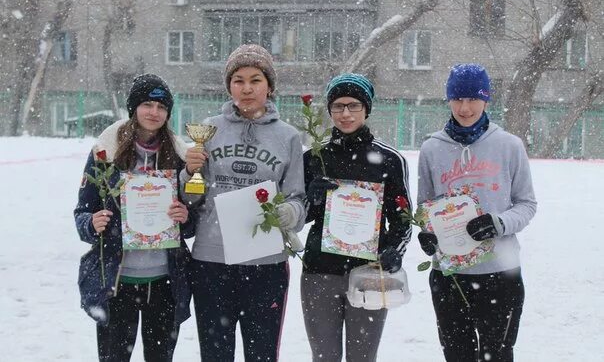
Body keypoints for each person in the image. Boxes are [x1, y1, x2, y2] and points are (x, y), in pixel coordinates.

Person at [182, 44, 306, 361]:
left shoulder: (288, 137)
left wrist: (288, 212)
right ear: (229, 86)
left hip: (264, 263)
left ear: (269, 86)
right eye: (238, 80)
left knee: (261, 354)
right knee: (215, 354)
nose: (247, 88)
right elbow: (191, 199)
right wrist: (188, 173)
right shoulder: (209, 130)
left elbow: (297, 199)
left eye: (255, 80)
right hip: (211, 261)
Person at [417, 64, 537, 361]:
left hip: (500, 273)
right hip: (450, 276)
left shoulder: (509, 146)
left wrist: (499, 222)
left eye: (473, 99)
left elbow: (527, 204)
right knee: (458, 356)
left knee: (497, 355)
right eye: (457, 99)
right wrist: (427, 234)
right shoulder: (432, 149)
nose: (465, 107)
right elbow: (424, 208)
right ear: (448, 100)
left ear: (486, 100)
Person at [74, 74, 198, 362]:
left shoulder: (180, 157)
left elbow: (192, 222)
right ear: (133, 109)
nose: (154, 112)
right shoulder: (105, 153)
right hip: (117, 283)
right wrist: (92, 224)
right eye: (147, 104)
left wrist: (185, 217)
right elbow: (82, 212)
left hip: (165, 282)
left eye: (161, 106)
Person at [301, 73, 413, 362]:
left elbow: (402, 216)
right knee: (324, 356)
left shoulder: (389, 159)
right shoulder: (315, 156)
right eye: (338, 106)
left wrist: (394, 251)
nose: (345, 113)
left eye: (353, 105)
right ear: (329, 110)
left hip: (369, 272)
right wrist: (311, 198)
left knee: (363, 357)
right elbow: (301, 217)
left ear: (366, 109)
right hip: (319, 271)